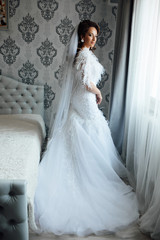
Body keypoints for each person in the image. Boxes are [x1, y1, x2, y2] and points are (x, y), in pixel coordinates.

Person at [34, 20, 139, 237]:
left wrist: (94, 92)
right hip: (84, 99)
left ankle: (89, 174)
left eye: (96, 36)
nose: (94, 39)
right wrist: (98, 91)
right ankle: (90, 180)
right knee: (92, 129)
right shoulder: (82, 55)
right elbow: (84, 82)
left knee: (91, 132)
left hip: (80, 101)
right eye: (90, 35)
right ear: (82, 36)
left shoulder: (83, 55)